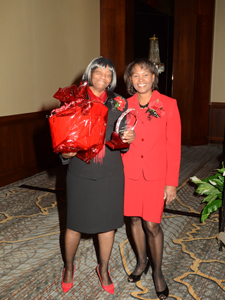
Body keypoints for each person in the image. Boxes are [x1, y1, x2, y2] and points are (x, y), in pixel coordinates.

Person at [60, 57, 135, 295]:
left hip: (111, 173)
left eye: (108, 73)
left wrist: (127, 141)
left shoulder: (119, 103)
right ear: (89, 73)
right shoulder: (74, 100)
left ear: (112, 79)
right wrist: (66, 152)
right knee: (73, 225)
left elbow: (122, 138)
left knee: (107, 226)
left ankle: (103, 269)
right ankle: (69, 268)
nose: (103, 76)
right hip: (80, 172)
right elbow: (62, 137)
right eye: (98, 71)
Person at [122, 58, 181, 300]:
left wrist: (171, 183)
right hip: (130, 173)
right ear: (129, 80)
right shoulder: (124, 104)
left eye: (145, 74)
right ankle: (141, 262)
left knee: (152, 225)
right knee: (133, 220)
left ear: (154, 77)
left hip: (157, 175)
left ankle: (157, 272)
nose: (141, 80)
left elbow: (174, 146)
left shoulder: (168, 104)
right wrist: (123, 140)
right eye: (135, 75)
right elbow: (117, 140)